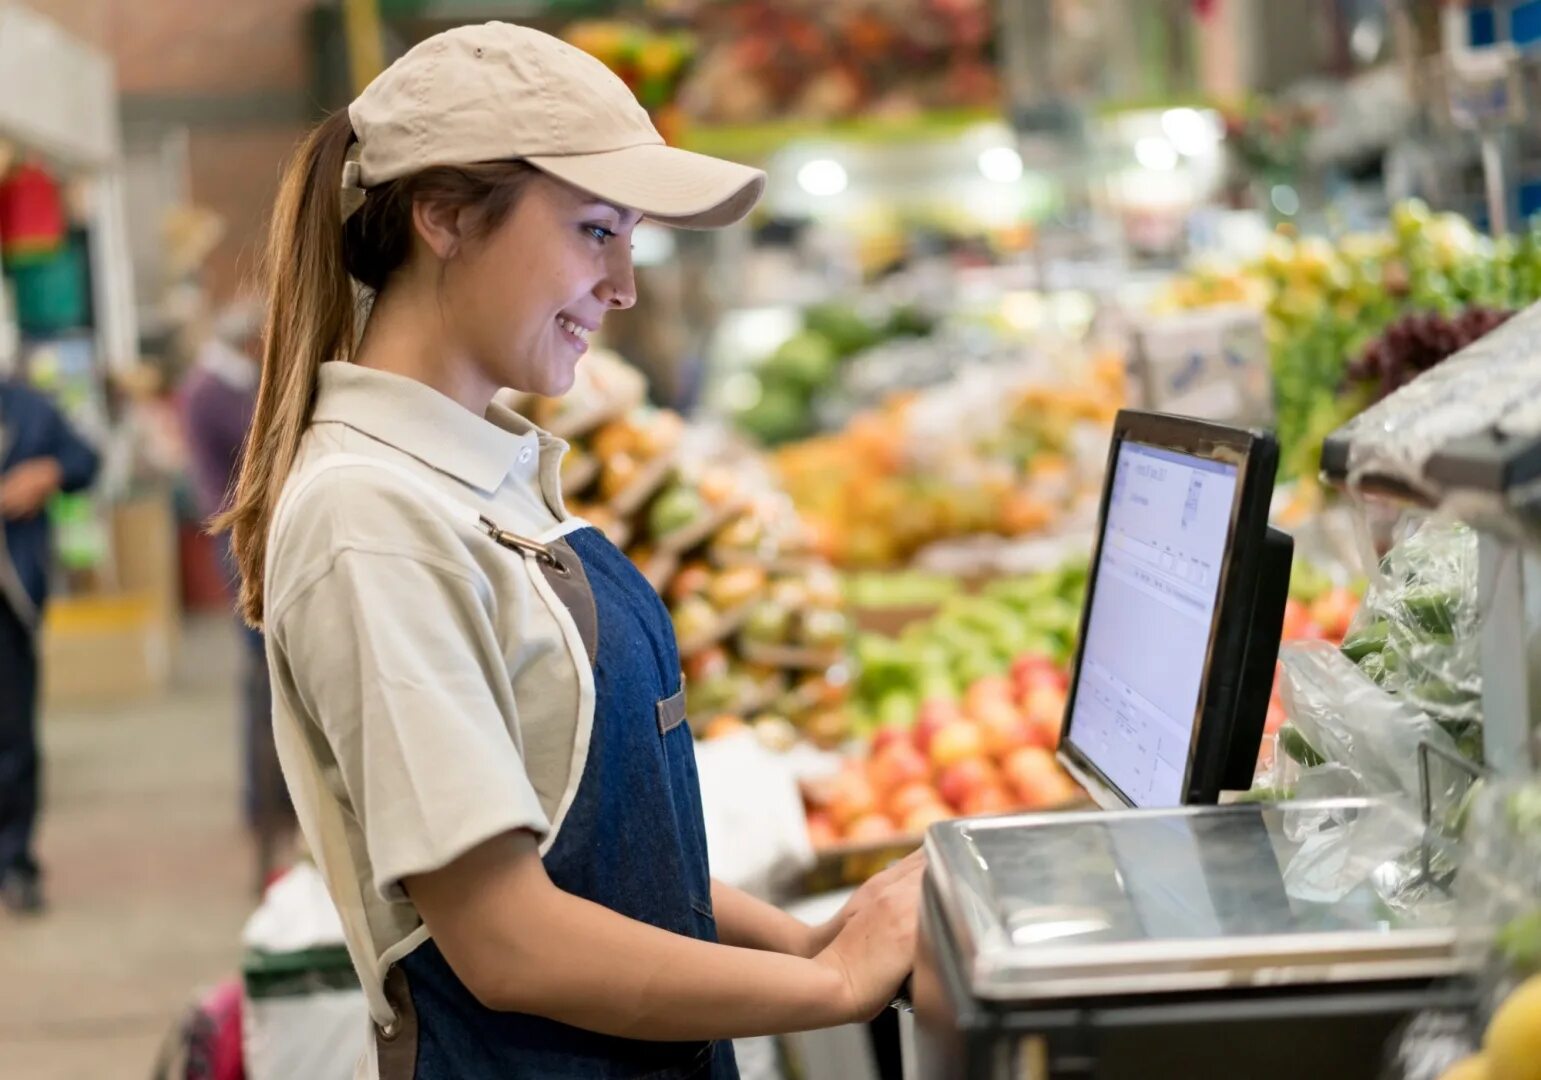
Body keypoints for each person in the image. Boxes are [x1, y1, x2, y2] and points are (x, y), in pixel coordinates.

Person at [213, 22, 921, 1080]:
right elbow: (509, 940)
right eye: (595, 230)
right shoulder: (372, 517)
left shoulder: (477, 473)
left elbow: (576, 854)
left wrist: (808, 939)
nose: (624, 284)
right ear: (444, 218)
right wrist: (831, 990)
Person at [178, 300, 293, 888]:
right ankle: (267, 801)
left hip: (244, 535)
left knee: (266, 675)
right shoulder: (213, 390)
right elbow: (260, 443)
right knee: (262, 674)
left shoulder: (219, 384)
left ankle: (274, 799)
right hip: (242, 539)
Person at [0, 375, 101, 915]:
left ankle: (14, 861)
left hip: (10, 602)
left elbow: (87, 458)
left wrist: (49, 472)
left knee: (14, 741)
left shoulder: (29, 406)